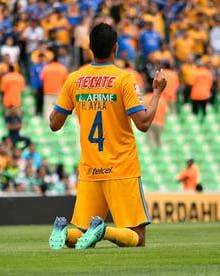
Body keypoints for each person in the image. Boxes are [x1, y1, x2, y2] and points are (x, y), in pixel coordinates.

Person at [48, 23, 167, 250]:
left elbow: (54, 123)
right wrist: (158, 93)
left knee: (83, 239)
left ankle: (63, 233)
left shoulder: (74, 79)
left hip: (90, 169)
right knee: (138, 238)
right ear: (115, 47)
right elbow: (143, 123)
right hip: (121, 168)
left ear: (90, 48)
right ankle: (104, 230)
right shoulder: (124, 79)